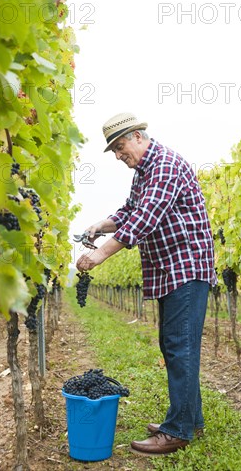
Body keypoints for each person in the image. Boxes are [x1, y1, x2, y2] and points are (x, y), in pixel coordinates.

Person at [76, 112, 217, 456]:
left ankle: (178, 430)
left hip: (186, 268)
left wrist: (98, 256)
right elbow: (128, 210)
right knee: (174, 345)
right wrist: (100, 225)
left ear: (138, 136)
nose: (119, 155)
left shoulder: (164, 165)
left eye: (121, 147)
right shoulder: (144, 172)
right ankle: (190, 418)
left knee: (179, 347)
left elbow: (143, 219)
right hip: (170, 271)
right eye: (114, 152)